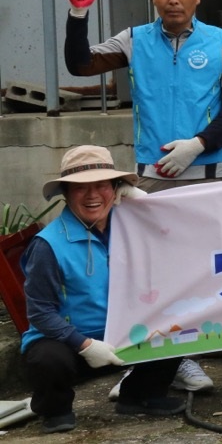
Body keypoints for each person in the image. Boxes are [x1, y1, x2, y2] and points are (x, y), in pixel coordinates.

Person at [64, 0, 222, 393]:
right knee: (151, 273)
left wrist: (197, 144)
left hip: (205, 176)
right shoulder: (135, 40)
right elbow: (81, 65)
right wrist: (77, 16)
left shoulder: (221, 41)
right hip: (149, 180)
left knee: (201, 271)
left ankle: (185, 357)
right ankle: (151, 361)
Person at [22, 146, 185, 433]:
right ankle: (55, 409)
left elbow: (183, 236)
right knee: (48, 359)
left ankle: (141, 394)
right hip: (70, 342)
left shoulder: (131, 225)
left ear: (116, 188)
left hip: (126, 332)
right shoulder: (48, 245)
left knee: (178, 325)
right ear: (66, 193)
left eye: (102, 185)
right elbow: (40, 312)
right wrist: (84, 344)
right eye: (80, 188)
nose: (92, 195)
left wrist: (146, 205)